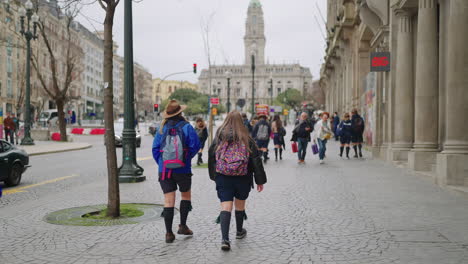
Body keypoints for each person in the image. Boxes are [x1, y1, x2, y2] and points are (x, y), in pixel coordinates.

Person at [208, 111, 267, 251]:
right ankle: (239, 231)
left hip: (223, 176)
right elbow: (256, 161)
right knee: (240, 205)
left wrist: (214, 176)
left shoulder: (219, 137)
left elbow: (211, 156)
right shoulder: (246, 137)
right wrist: (260, 180)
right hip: (242, 176)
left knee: (226, 206)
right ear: (241, 121)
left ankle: (225, 239)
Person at [152, 100, 200, 243]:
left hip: (165, 170)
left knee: (168, 200)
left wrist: (163, 163)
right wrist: (184, 158)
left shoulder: (162, 128)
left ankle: (168, 233)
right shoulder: (187, 127)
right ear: (180, 112)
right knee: (185, 196)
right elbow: (195, 145)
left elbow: (155, 149)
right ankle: (183, 226)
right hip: (183, 169)